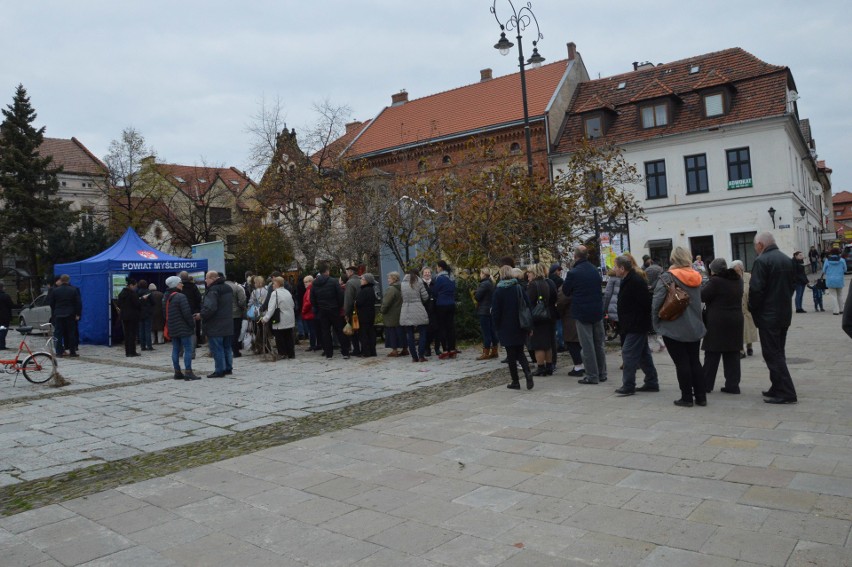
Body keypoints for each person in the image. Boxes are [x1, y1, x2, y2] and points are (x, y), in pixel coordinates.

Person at [652, 246, 706, 407]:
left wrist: (656, 323)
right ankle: (701, 397)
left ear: (673, 259)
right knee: (694, 361)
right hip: (694, 325)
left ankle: (687, 397)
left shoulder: (668, 277)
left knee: (681, 362)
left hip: (674, 325)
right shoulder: (697, 276)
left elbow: (657, 302)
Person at [748, 232, 797, 404]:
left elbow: (756, 290)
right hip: (783, 313)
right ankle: (777, 386)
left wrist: (752, 308)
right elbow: (792, 285)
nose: (755, 249)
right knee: (778, 351)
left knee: (772, 354)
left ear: (760, 244)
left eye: (755, 245)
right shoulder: (785, 259)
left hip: (768, 315)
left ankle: (786, 391)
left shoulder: (762, 261)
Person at [612, 255, 658, 396]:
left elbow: (644, 303)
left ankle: (629, 385)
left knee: (628, 353)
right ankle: (651, 382)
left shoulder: (635, 281)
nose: (614, 269)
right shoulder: (628, 280)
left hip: (636, 324)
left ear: (622, 268)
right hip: (632, 323)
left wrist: (635, 319)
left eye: (615, 267)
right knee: (643, 354)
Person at [562, 246, 607, 385]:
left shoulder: (573, 273)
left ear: (575, 257)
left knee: (587, 345)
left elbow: (566, 291)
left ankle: (592, 375)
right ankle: (602, 372)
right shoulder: (594, 270)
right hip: (596, 310)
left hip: (582, 312)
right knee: (598, 344)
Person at [701, 258, 744, 394]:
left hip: (718, 321)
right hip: (736, 320)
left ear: (713, 270)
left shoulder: (715, 281)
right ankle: (733, 385)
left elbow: (703, 296)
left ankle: (706, 385)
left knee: (712, 354)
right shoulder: (738, 280)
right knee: (732, 354)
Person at [492, 265, 534, 390]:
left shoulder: (498, 291)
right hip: (520, 324)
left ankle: (515, 381)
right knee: (520, 351)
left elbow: (496, 312)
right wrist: (530, 325)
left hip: (505, 326)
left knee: (511, 355)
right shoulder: (518, 288)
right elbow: (527, 305)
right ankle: (527, 372)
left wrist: (496, 326)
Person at [163, 276, 199, 380]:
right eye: (180, 283)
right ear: (175, 284)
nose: (182, 284)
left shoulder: (165, 297)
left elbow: (165, 314)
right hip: (183, 327)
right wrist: (192, 325)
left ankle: (177, 372)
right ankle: (188, 371)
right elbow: (187, 313)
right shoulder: (181, 296)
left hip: (172, 327)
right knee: (188, 349)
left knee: (175, 349)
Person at [310, 263, 348, 359]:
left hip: (322, 310)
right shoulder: (333, 281)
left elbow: (312, 298)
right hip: (334, 309)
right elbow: (340, 295)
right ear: (327, 271)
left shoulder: (314, 283)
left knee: (325, 332)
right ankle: (345, 352)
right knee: (339, 331)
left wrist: (318, 307)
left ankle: (328, 354)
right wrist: (338, 306)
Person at [201, 271, 234, 377]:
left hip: (215, 324)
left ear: (213, 278)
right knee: (227, 347)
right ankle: (228, 368)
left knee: (217, 348)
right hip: (228, 322)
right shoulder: (228, 288)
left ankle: (220, 370)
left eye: (206, 278)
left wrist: (202, 315)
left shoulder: (213, 290)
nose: (205, 280)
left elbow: (210, 307)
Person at [528, 263, 557, 376]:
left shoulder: (533, 285)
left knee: (538, 344)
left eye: (529, 272)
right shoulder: (546, 283)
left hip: (537, 317)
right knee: (548, 343)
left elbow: (529, 302)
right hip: (548, 315)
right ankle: (549, 366)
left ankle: (541, 368)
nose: (528, 274)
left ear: (534, 273)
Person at [261, 276, 296, 359]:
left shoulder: (275, 293)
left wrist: (265, 318)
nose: (272, 285)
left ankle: (282, 353)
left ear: (277, 284)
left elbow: (271, 308)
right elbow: (293, 304)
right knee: (289, 336)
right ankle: (291, 353)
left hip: (280, 318)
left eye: (273, 283)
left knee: (279, 336)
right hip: (289, 317)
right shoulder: (287, 292)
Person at [400, 268, 430, 362]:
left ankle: (414, 357)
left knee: (409, 334)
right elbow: (425, 297)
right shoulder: (419, 281)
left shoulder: (403, 283)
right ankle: (421, 356)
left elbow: (402, 297)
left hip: (406, 310)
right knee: (422, 333)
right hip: (418, 308)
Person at [730, 260, 758, 358]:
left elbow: (754, 289)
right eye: (735, 270)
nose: (737, 272)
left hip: (747, 307)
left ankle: (749, 346)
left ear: (742, 269)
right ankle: (741, 350)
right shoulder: (731, 279)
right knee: (739, 330)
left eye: (738, 270)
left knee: (749, 329)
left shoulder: (748, 276)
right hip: (737, 308)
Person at [433, 260, 458, 359]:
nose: (436, 269)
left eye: (437, 267)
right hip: (451, 304)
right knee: (451, 327)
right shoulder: (451, 277)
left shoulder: (440, 278)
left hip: (441, 305)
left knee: (442, 328)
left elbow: (435, 292)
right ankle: (452, 349)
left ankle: (445, 349)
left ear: (440, 267)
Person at [474, 267, 499, 360]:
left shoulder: (484, 284)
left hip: (484, 310)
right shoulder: (491, 283)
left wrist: (475, 292)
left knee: (486, 332)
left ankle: (486, 352)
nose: (479, 275)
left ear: (483, 274)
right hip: (490, 310)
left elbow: (477, 297)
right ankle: (495, 350)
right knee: (492, 331)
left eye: (480, 273)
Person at [116, 278, 142, 357]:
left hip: (124, 316)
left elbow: (119, 304)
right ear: (131, 285)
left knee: (127, 335)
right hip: (133, 316)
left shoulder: (122, 293)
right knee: (133, 334)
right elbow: (137, 304)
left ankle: (128, 352)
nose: (135, 287)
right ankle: (132, 351)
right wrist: (141, 300)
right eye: (135, 286)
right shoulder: (132, 294)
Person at [381, 271, 405, 357]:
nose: (388, 280)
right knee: (401, 332)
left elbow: (386, 302)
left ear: (394, 279)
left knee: (392, 333)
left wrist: (382, 310)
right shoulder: (402, 288)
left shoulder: (391, 289)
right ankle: (405, 349)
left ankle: (394, 350)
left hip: (391, 315)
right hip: (401, 314)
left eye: (389, 278)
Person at [355, 273, 378, 357]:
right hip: (371, 313)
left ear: (367, 281)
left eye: (362, 279)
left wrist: (355, 302)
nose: (361, 280)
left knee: (363, 333)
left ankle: (366, 351)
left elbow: (359, 302)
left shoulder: (364, 290)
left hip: (363, 314)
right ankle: (372, 351)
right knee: (371, 332)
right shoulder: (371, 289)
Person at [178, 271, 203, 348]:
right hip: (194, 310)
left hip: (181, 310)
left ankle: (183, 344)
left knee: (182, 328)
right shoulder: (193, 286)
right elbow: (199, 297)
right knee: (194, 328)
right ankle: (195, 343)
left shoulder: (179, 287)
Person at [225, 277, 247, 358]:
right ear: (234, 280)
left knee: (227, 333)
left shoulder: (221, 287)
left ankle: (227, 350)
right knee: (235, 332)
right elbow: (242, 301)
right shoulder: (237, 287)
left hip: (224, 314)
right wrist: (242, 309)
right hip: (236, 314)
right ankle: (235, 351)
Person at [822, 247, 848, 316]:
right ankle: (841, 309)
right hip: (839, 279)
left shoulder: (827, 260)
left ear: (831, 253)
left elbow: (824, 270)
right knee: (840, 295)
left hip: (830, 280)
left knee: (833, 295)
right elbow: (845, 269)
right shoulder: (842, 260)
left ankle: (835, 311)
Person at [343, 266, 362, 356]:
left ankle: (356, 349)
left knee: (354, 329)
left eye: (347, 272)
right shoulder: (361, 280)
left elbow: (348, 299)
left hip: (353, 311)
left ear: (351, 272)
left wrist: (346, 312)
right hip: (362, 309)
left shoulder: (350, 283)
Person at [549, 264, 565, 351]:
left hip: (551, 305)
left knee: (554, 326)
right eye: (559, 271)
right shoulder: (560, 281)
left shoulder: (547, 280)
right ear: (556, 271)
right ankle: (561, 344)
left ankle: (555, 343)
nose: (560, 272)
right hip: (558, 304)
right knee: (560, 326)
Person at [301, 275, 318, 351]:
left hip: (309, 313)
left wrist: (303, 311)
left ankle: (313, 345)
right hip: (311, 313)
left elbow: (308, 302)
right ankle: (314, 344)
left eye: (305, 282)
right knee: (313, 329)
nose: (304, 284)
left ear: (310, 282)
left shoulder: (309, 290)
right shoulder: (311, 289)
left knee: (312, 330)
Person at [0, 282, 13, 350]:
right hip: (5, 317)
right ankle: (2, 345)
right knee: (3, 331)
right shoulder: (5, 296)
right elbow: (11, 305)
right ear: (2, 287)